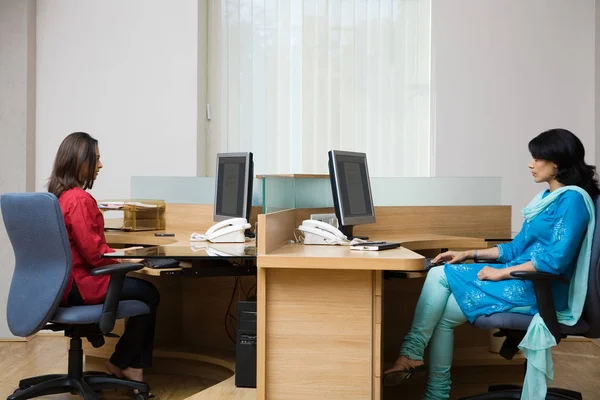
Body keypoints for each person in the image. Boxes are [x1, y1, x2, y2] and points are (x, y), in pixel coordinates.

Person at [383, 128, 599, 399]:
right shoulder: (545, 199)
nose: (531, 164)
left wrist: (502, 274)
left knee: (439, 275)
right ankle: (433, 389)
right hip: (522, 278)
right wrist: (468, 253)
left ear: (556, 162)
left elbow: (554, 261)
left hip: (540, 289)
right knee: (445, 313)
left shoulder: (572, 200)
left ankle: (413, 357)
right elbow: (515, 248)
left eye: (537, 158)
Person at [48, 132, 160, 386]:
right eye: (95, 159)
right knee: (150, 294)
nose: (100, 165)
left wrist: (123, 256)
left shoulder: (61, 196)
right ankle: (124, 364)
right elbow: (94, 255)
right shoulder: (79, 199)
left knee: (140, 289)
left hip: (62, 286)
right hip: (82, 285)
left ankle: (125, 362)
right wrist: (125, 261)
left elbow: (89, 248)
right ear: (80, 161)